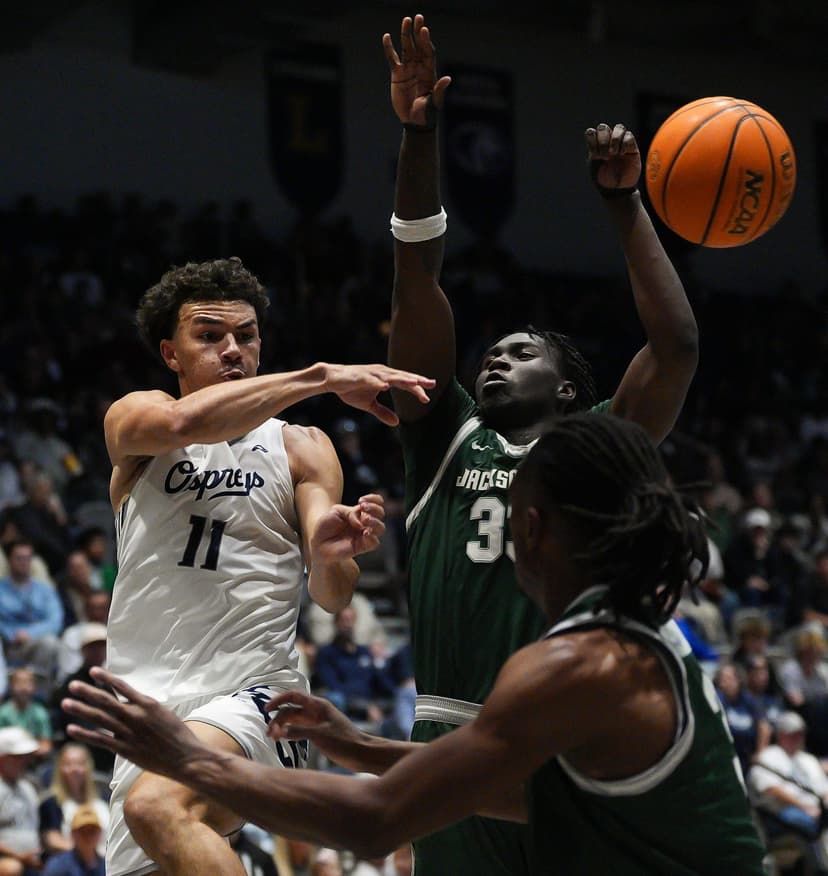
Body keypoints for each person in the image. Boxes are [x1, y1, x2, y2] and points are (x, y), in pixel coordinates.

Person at [62, 415, 766, 875]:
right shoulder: (636, 636)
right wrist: (363, 750)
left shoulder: (578, 665)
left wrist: (185, 757)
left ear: (530, 528)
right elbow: (522, 796)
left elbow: (376, 824)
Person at [381, 14, 699, 874]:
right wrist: (420, 137)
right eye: (493, 350)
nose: (494, 355)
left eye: (521, 352)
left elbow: (674, 348)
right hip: (450, 724)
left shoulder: (599, 444)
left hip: (562, 729)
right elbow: (417, 277)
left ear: (567, 389)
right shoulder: (441, 430)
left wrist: (625, 204)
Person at [96, 255, 433, 876]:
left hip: (254, 696)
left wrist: (330, 553)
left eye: (246, 336)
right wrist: (326, 375)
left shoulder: (300, 445)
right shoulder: (136, 419)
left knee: (159, 808)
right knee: (157, 826)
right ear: (171, 353)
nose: (232, 349)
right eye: (210, 336)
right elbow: (182, 421)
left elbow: (333, 595)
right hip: (149, 710)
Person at [748, 711, 828, 872]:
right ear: (780, 735)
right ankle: (821, 868)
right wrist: (804, 807)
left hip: (815, 807)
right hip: (782, 809)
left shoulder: (808, 759)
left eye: (800, 734)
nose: (797, 738)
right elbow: (770, 789)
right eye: (792, 734)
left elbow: (823, 789)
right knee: (818, 823)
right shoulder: (768, 756)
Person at [0, 539, 64, 688]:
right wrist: (10, 634)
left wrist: (29, 633)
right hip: (7, 644)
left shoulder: (45, 590)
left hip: (36, 643)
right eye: (19, 558)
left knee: (50, 643)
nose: (24, 562)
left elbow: (56, 621)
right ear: (9, 560)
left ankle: (38, 694)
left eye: (28, 558)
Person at [39, 744, 109, 859]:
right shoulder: (51, 802)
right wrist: (91, 855)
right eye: (68, 764)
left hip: (107, 859)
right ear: (59, 767)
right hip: (73, 861)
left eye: (80, 764)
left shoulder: (104, 798)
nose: (74, 769)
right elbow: (52, 839)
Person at [0, 726, 43, 876]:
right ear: (2, 758)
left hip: (34, 860)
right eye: (18, 757)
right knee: (12, 869)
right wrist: (18, 856)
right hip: (7, 860)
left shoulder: (28, 787)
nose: (25, 761)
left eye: (26, 756)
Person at [0, 668, 52, 760]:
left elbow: (46, 744)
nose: (23, 687)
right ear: (11, 686)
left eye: (28, 682)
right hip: (8, 758)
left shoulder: (39, 712)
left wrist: (26, 752)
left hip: (33, 760)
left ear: (35, 687)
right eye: (19, 682)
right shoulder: (3, 713)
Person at [41, 805, 105, 876]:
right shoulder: (58, 867)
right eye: (82, 831)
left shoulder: (106, 867)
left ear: (100, 833)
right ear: (73, 834)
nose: (88, 837)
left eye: (92, 831)